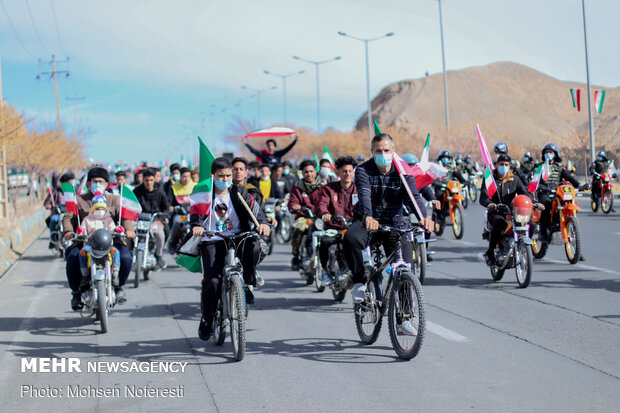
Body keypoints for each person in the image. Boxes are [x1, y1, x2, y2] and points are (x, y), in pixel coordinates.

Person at [342, 134, 433, 313]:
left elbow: (412, 197)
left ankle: (405, 316)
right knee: (350, 239)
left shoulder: (404, 171)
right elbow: (364, 193)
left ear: (393, 151)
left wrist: (424, 217)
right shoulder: (363, 170)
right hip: (368, 222)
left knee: (405, 268)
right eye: (378, 151)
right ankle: (360, 281)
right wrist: (368, 216)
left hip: (395, 223)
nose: (382, 154)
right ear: (371, 152)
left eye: (386, 150)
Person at [190, 157, 270, 340]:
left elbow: (256, 210)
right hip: (212, 239)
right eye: (221, 176)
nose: (225, 179)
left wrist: (263, 223)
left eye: (228, 175)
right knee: (213, 282)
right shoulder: (204, 194)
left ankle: (249, 278)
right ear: (212, 176)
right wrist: (197, 226)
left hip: (237, 238)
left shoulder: (239, 192)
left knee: (254, 242)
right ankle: (207, 319)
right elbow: (195, 214)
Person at [62, 167, 135, 310]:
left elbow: (125, 217)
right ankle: (76, 293)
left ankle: (119, 286)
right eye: (94, 181)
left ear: (107, 184)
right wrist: (69, 231)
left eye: (100, 182)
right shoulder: (79, 200)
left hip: (112, 241)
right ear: (88, 183)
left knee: (125, 257)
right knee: (73, 256)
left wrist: (129, 230)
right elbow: (69, 217)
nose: (97, 184)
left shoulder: (115, 200)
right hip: (85, 241)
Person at [479, 154, 535, 266]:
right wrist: (490, 204)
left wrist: (533, 201)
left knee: (531, 224)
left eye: (506, 165)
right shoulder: (490, 179)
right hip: (496, 212)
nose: (504, 166)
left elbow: (525, 193)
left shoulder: (515, 179)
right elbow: (483, 197)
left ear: (509, 166)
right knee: (500, 223)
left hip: (513, 212)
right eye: (501, 164)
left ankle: (522, 246)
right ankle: (490, 253)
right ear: (497, 165)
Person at [536, 143, 587, 253]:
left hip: (557, 193)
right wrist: (541, 187)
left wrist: (580, 186)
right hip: (544, 193)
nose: (548, 154)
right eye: (546, 152)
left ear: (555, 154)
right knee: (546, 205)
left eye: (551, 152)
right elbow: (535, 182)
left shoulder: (560, 167)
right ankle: (543, 233)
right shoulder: (540, 167)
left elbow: (570, 178)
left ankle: (577, 250)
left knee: (566, 205)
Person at [315, 156, 358, 285]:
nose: (347, 174)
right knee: (325, 242)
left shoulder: (359, 189)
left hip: (352, 227)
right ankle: (324, 270)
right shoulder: (329, 189)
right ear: (338, 172)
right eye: (344, 171)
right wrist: (324, 213)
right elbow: (321, 203)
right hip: (333, 226)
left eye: (350, 171)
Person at [78, 195, 121, 289]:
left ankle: (115, 275)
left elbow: (113, 229)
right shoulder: (87, 219)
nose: (100, 210)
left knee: (116, 252)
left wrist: (118, 230)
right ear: (93, 208)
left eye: (102, 208)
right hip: (91, 245)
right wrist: (81, 232)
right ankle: (84, 275)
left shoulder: (108, 220)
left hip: (106, 246)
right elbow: (83, 230)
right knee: (82, 252)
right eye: (97, 208)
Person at [288, 159, 323, 270]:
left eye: (311, 171)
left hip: (320, 218)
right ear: (302, 173)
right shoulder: (297, 187)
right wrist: (295, 206)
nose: (309, 174)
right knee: (298, 229)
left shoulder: (324, 186)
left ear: (315, 171)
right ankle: (296, 256)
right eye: (306, 172)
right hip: (304, 217)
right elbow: (292, 202)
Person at [133, 168, 169, 268]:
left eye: (151, 180)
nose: (149, 183)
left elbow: (165, 209)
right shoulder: (137, 191)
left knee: (161, 235)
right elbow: (131, 206)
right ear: (143, 180)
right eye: (146, 180)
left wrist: (160, 219)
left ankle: (158, 254)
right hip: (139, 221)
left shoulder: (160, 192)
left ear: (154, 180)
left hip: (154, 220)